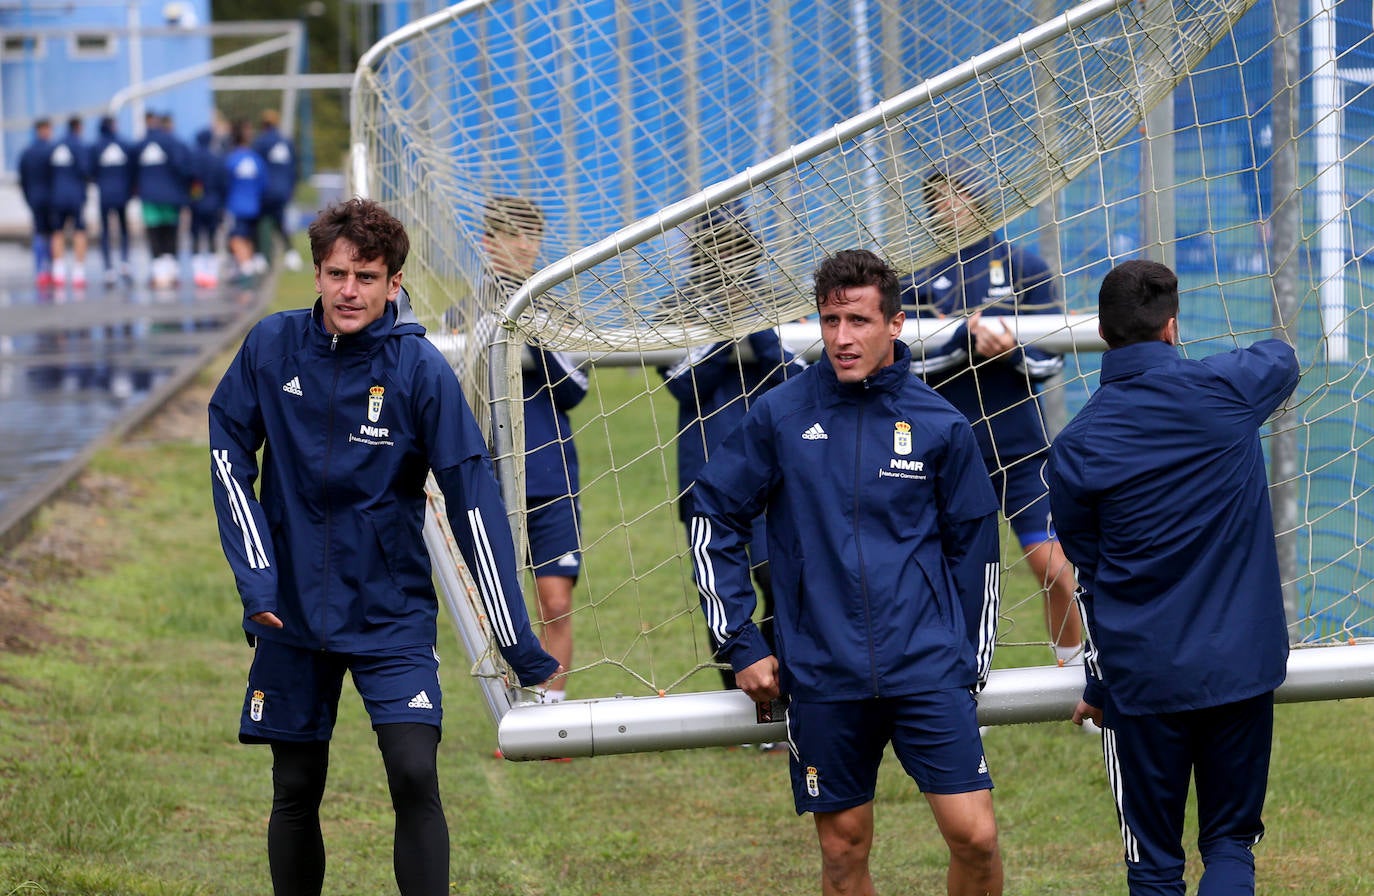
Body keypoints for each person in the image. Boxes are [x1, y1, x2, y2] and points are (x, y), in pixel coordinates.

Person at [209, 198, 561, 896]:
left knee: (412, 772)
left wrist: (516, 641)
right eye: (337, 273)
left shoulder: (419, 370)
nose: (349, 290)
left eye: (366, 277)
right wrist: (258, 578)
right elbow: (226, 450)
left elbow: (473, 502)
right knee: (296, 784)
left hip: (389, 611)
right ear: (316, 273)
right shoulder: (271, 347)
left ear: (394, 284)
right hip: (292, 614)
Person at [690, 248, 1004, 896]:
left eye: (858, 320)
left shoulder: (940, 424)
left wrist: (967, 661)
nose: (842, 338)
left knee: (975, 837)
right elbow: (710, 510)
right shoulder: (782, 416)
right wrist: (741, 642)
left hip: (924, 665)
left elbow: (977, 549)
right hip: (823, 672)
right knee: (842, 851)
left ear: (894, 324)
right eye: (830, 321)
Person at [1045, 259, 1299, 896]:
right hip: (1240, 666)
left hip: (1144, 676)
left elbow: (1089, 568)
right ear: (1172, 328)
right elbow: (1281, 357)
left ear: (1101, 337)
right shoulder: (1226, 390)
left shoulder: (1077, 444)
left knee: (1155, 865)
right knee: (1230, 847)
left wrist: (1098, 684)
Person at [902, 158, 1084, 668]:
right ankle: (960, 690)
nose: (948, 205)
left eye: (958, 192)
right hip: (944, 452)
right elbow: (903, 362)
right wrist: (963, 338)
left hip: (1020, 449)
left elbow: (1049, 360)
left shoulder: (1025, 267)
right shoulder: (914, 275)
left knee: (1054, 568)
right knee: (951, 578)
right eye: (937, 197)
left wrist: (1009, 352)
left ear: (980, 197)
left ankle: (1073, 674)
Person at [660, 205, 805, 693]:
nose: (726, 257)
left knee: (777, 579)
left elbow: (799, 377)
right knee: (720, 588)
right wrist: (727, 327)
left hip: (777, 468)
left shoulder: (778, 298)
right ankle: (737, 704)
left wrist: (758, 327)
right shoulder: (678, 305)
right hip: (706, 468)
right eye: (715, 247)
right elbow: (681, 384)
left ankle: (780, 691)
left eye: (736, 244)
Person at [481, 196, 586, 703]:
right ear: (487, 243)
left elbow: (577, 389)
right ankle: (509, 709)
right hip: (488, 480)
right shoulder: (468, 315)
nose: (521, 247)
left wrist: (532, 335)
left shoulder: (555, 311)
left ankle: (551, 714)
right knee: (498, 607)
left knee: (554, 601)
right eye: (509, 235)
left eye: (530, 236)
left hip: (549, 478)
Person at [134, 112, 190, 288]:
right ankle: (172, 273)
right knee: (170, 233)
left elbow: (131, 170)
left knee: (154, 233)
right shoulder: (172, 142)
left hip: (149, 197)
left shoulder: (140, 145)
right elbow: (182, 168)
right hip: (171, 197)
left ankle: (159, 274)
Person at [253, 108, 302, 271]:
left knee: (259, 222)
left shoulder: (260, 142)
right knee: (280, 222)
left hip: (265, 191)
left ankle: (261, 257)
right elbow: (295, 168)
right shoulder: (286, 142)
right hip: (283, 191)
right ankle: (291, 255)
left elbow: (256, 168)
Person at [47, 116, 91, 289]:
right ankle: (78, 273)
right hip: (75, 195)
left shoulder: (54, 146)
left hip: (56, 195)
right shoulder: (79, 146)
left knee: (57, 231)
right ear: (79, 128)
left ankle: (58, 272)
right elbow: (86, 170)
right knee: (79, 231)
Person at [92, 116, 136, 285]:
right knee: (124, 229)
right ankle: (125, 263)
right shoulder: (124, 144)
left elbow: (91, 170)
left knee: (105, 231)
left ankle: (108, 268)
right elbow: (132, 169)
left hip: (105, 194)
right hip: (122, 194)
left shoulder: (96, 146)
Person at [222, 120, 267, 284]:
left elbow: (224, 184)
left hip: (236, 206)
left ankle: (247, 268)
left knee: (235, 238)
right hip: (254, 205)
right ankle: (247, 266)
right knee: (247, 238)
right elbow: (263, 184)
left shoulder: (231, 160)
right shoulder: (256, 160)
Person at [188, 127, 227, 288]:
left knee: (196, 236)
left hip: (196, 204)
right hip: (213, 204)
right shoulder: (217, 158)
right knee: (212, 236)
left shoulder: (192, 158)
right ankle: (212, 274)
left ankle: (198, 273)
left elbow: (189, 179)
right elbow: (223, 184)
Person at [17, 118, 55, 288]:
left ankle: (41, 270)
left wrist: (28, 198)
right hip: (51, 199)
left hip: (34, 198)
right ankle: (50, 269)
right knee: (52, 233)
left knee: (39, 232)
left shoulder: (26, 152)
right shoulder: (52, 150)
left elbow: (22, 180)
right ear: (44, 130)